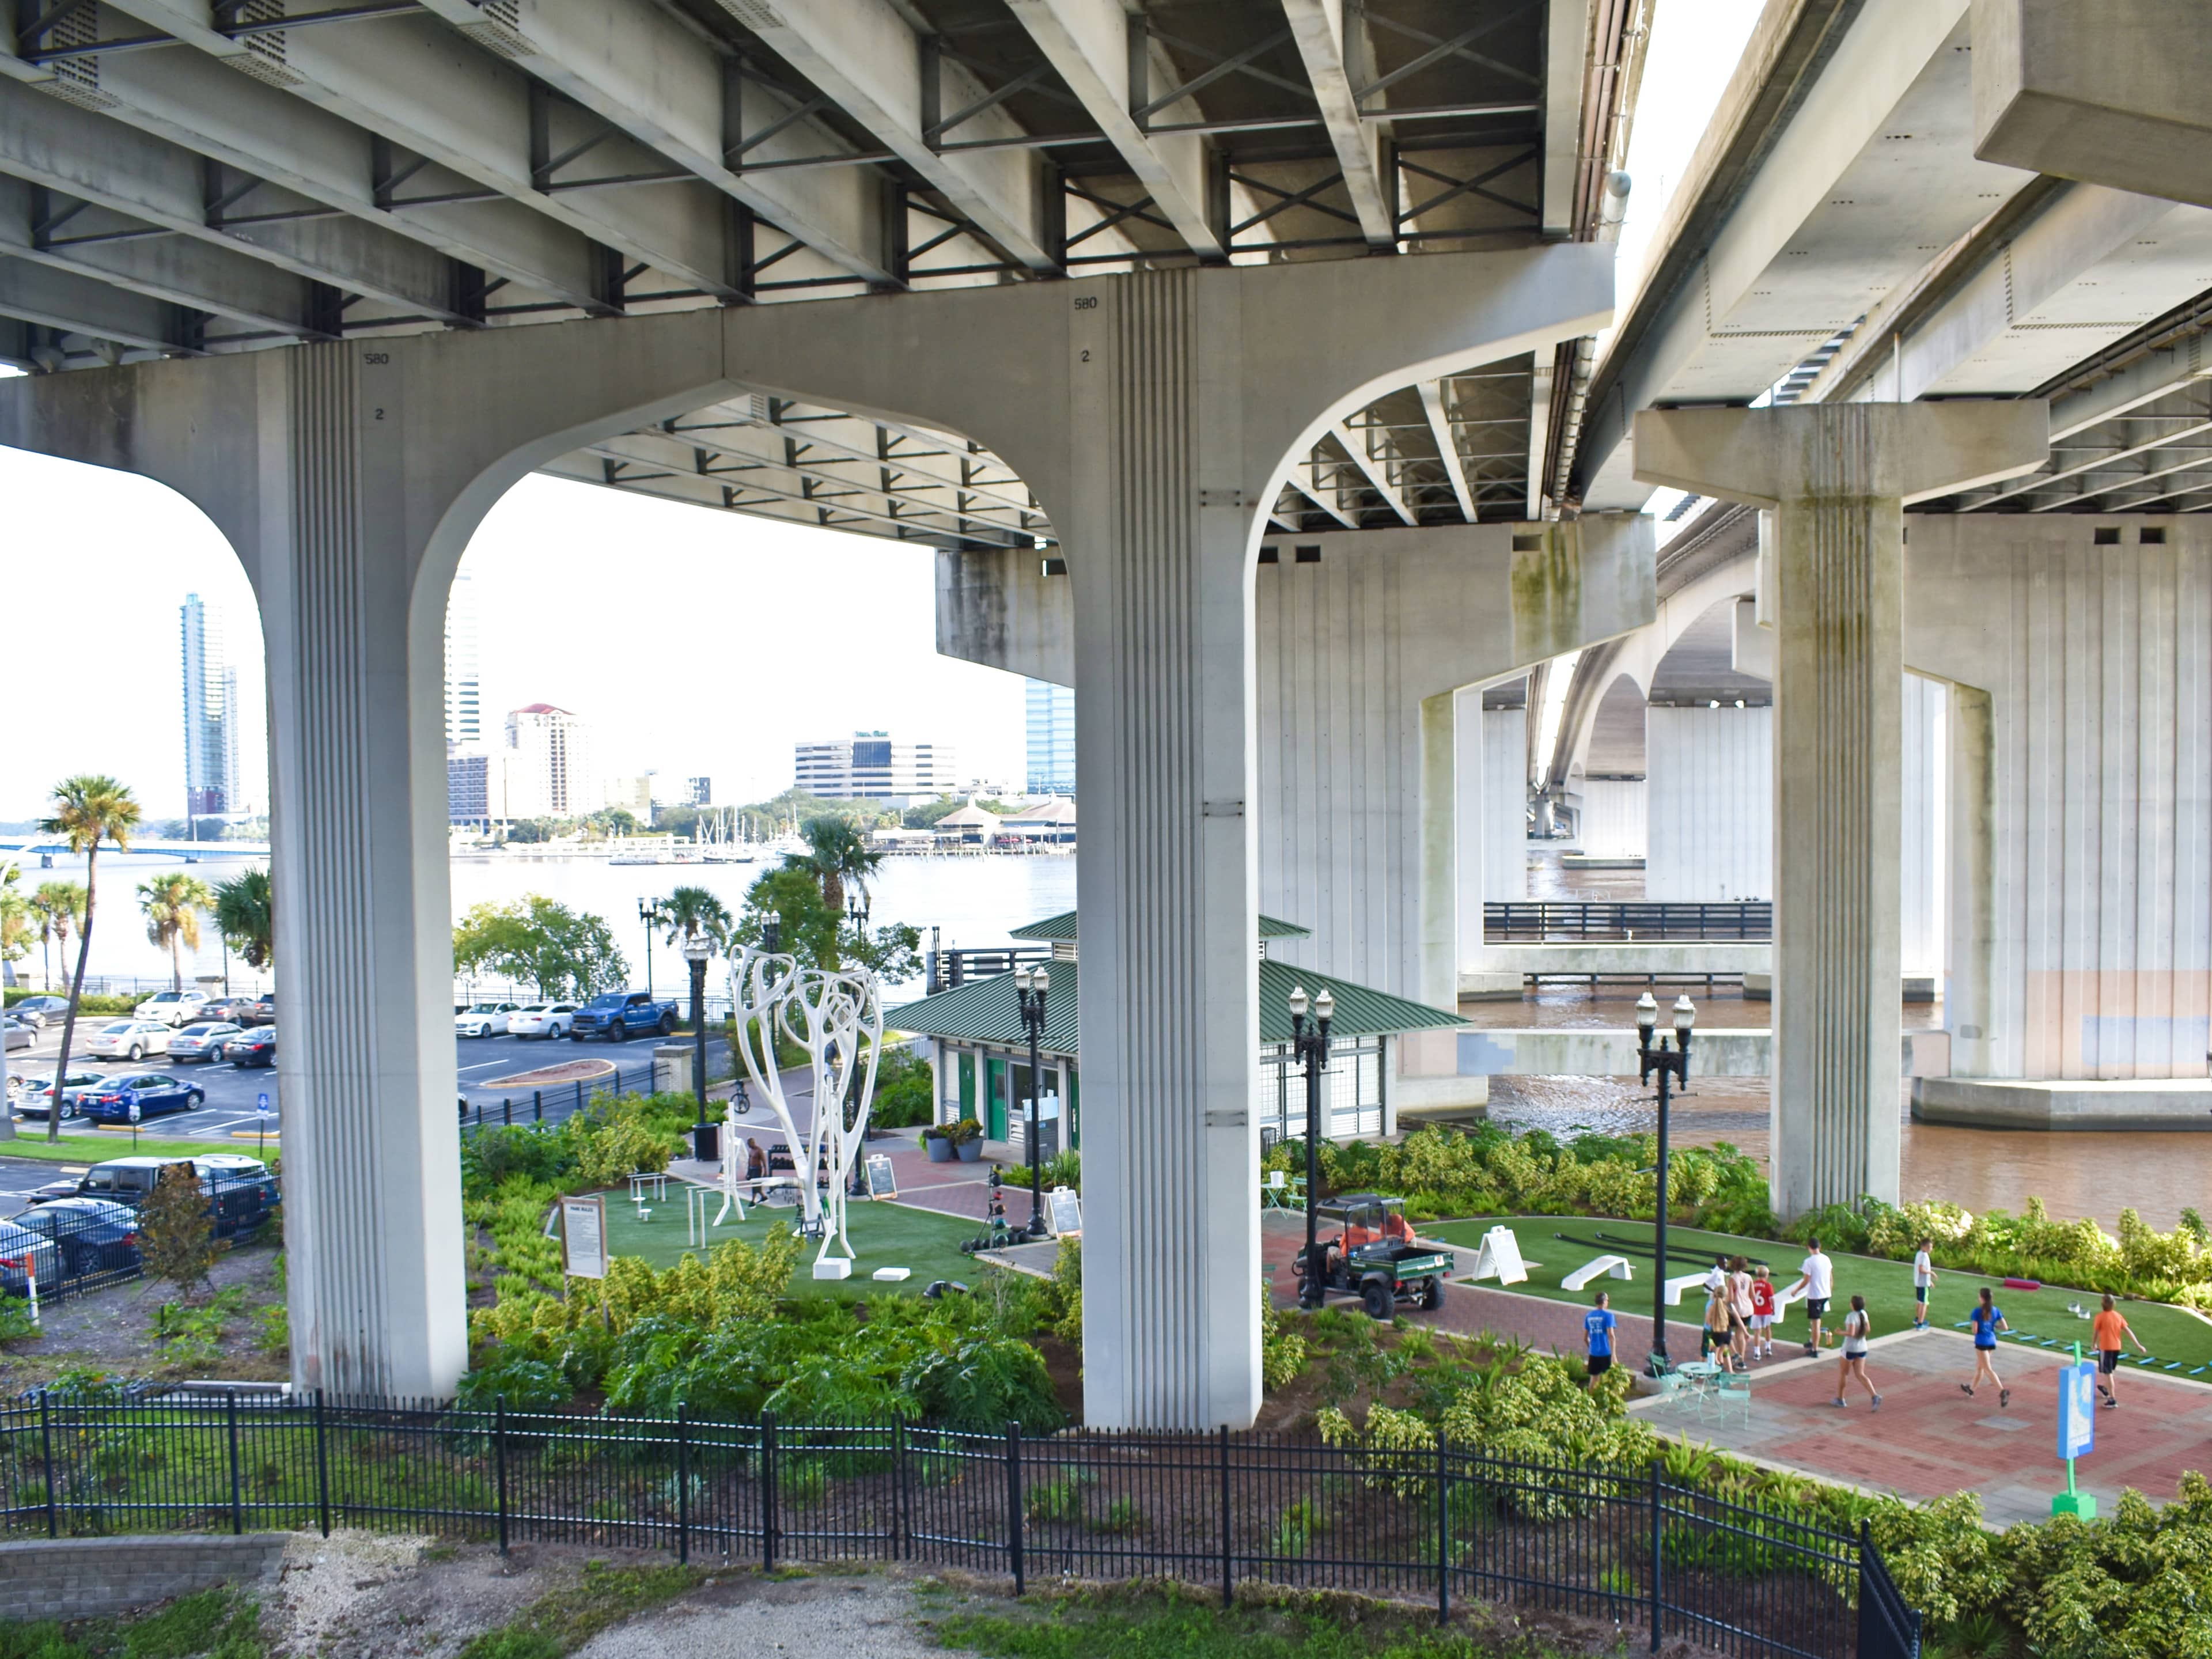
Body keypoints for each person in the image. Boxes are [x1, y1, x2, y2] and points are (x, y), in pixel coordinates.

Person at [2092, 1293, 2150, 1407]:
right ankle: (2106, 1388)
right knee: (2110, 1371)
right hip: (2116, 1348)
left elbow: (2096, 1332)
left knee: (2108, 1373)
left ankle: (2112, 1399)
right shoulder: (2118, 1316)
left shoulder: (2100, 1317)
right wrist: (2138, 1345)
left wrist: (2094, 1344)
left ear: (2103, 1304)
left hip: (2106, 1348)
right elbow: (2128, 1331)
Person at [1963, 1286, 2011, 1406]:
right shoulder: (1996, 1310)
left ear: (1982, 1298)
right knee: (1980, 1367)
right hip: (1992, 1341)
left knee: (1987, 1369)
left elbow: (1975, 1330)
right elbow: (2005, 1327)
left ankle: (2002, 1391)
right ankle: (1971, 1389)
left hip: (1981, 1342)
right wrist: (1994, 1327)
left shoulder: (1977, 1312)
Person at [1832, 1293, 1881, 1410]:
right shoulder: (1864, 1314)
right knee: (1860, 1374)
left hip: (1850, 1348)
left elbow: (1851, 1333)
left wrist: (1839, 1332)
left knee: (1844, 1373)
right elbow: (1868, 1329)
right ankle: (1874, 1396)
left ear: (1853, 1305)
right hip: (1862, 1347)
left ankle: (1841, 1399)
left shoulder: (1851, 1316)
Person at [1788, 1238, 1835, 1356]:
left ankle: (1814, 1349)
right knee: (1816, 1320)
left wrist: (1796, 1290)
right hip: (1825, 1294)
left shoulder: (1809, 1262)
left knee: (1815, 1323)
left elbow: (1806, 1280)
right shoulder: (1826, 1259)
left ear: (1809, 1247)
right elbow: (1831, 1278)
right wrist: (1829, 1290)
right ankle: (1812, 1341)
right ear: (1820, 1246)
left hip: (1815, 1296)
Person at [1584, 1290, 1617, 1384]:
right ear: (1604, 1301)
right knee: (1608, 1380)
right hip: (1605, 1352)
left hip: (1594, 1353)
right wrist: (1614, 1355)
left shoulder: (1589, 1316)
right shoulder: (1609, 1316)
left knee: (1594, 1380)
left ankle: (1591, 1393)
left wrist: (1592, 1348)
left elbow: (1585, 1338)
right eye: (1607, 1300)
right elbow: (1611, 1336)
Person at [1727, 1254, 1755, 1366]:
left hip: (1737, 1309)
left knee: (1725, 1331)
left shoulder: (1732, 1279)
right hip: (1748, 1309)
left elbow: (1731, 1298)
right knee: (1741, 1335)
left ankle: (1734, 1354)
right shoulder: (1749, 1277)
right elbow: (1753, 1295)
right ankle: (1741, 1360)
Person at [1703, 1283, 1737, 1372]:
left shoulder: (1711, 1307)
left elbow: (1708, 1322)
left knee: (1712, 1353)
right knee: (1725, 1351)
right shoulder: (1727, 1306)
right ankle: (1730, 1371)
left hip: (1715, 1334)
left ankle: (1715, 1370)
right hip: (1727, 1333)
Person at [1748, 1264, 1777, 1360]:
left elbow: (1750, 1297)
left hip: (1756, 1311)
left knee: (1757, 1332)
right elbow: (1771, 1299)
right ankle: (1768, 1348)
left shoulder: (1753, 1285)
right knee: (1768, 1329)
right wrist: (1774, 1309)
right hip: (1767, 1311)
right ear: (1767, 1275)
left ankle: (1757, 1352)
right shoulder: (1768, 1285)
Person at [1911, 1237, 1938, 1331]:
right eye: (1929, 1247)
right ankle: (1920, 1323)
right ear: (1924, 1247)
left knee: (1920, 1301)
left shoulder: (1919, 1254)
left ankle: (1917, 1318)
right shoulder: (1924, 1256)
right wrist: (1931, 1273)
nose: (1931, 1249)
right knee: (1924, 1303)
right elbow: (1921, 1269)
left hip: (1919, 1282)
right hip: (1923, 1284)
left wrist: (1929, 1281)